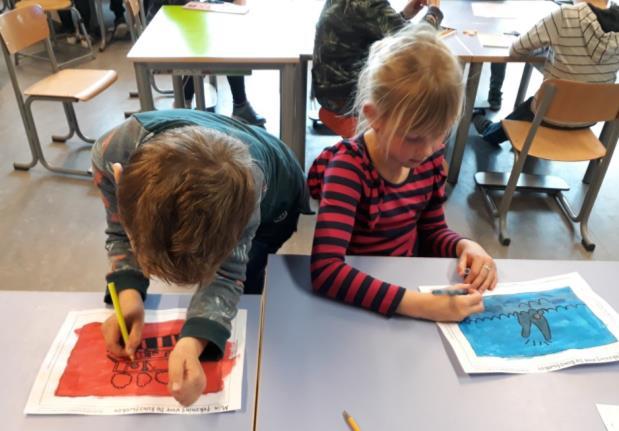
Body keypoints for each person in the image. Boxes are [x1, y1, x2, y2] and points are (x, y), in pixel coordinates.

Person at [92, 109, 310, 406]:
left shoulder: (246, 196)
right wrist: (129, 295)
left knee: (249, 283)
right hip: (234, 172)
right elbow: (120, 230)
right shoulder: (111, 154)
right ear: (120, 179)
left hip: (278, 195)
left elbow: (229, 271)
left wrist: (194, 340)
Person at [307, 23, 497, 322]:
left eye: (440, 135)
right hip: (360, 306)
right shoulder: (348, 169)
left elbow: (431, 231)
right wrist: (425, 306)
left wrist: (464, 245)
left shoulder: (427, 161)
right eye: (413, 137)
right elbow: (326, 271)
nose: (427, 150)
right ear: (374, 117)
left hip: (404, 289)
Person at [472, 0, 619, 146]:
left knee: (534, 107)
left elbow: (516, 50)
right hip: (589, 118)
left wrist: (549, 49)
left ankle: (484, 126)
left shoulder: (566, 15)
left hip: (549, 116)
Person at [312, 0, 444, 117]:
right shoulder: (370, 3)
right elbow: (417, 44)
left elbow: (370, 25)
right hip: (346, 97)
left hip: (328, 88)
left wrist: (405, 14)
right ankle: (421, 139)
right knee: (426, 92)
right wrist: (434, 11)